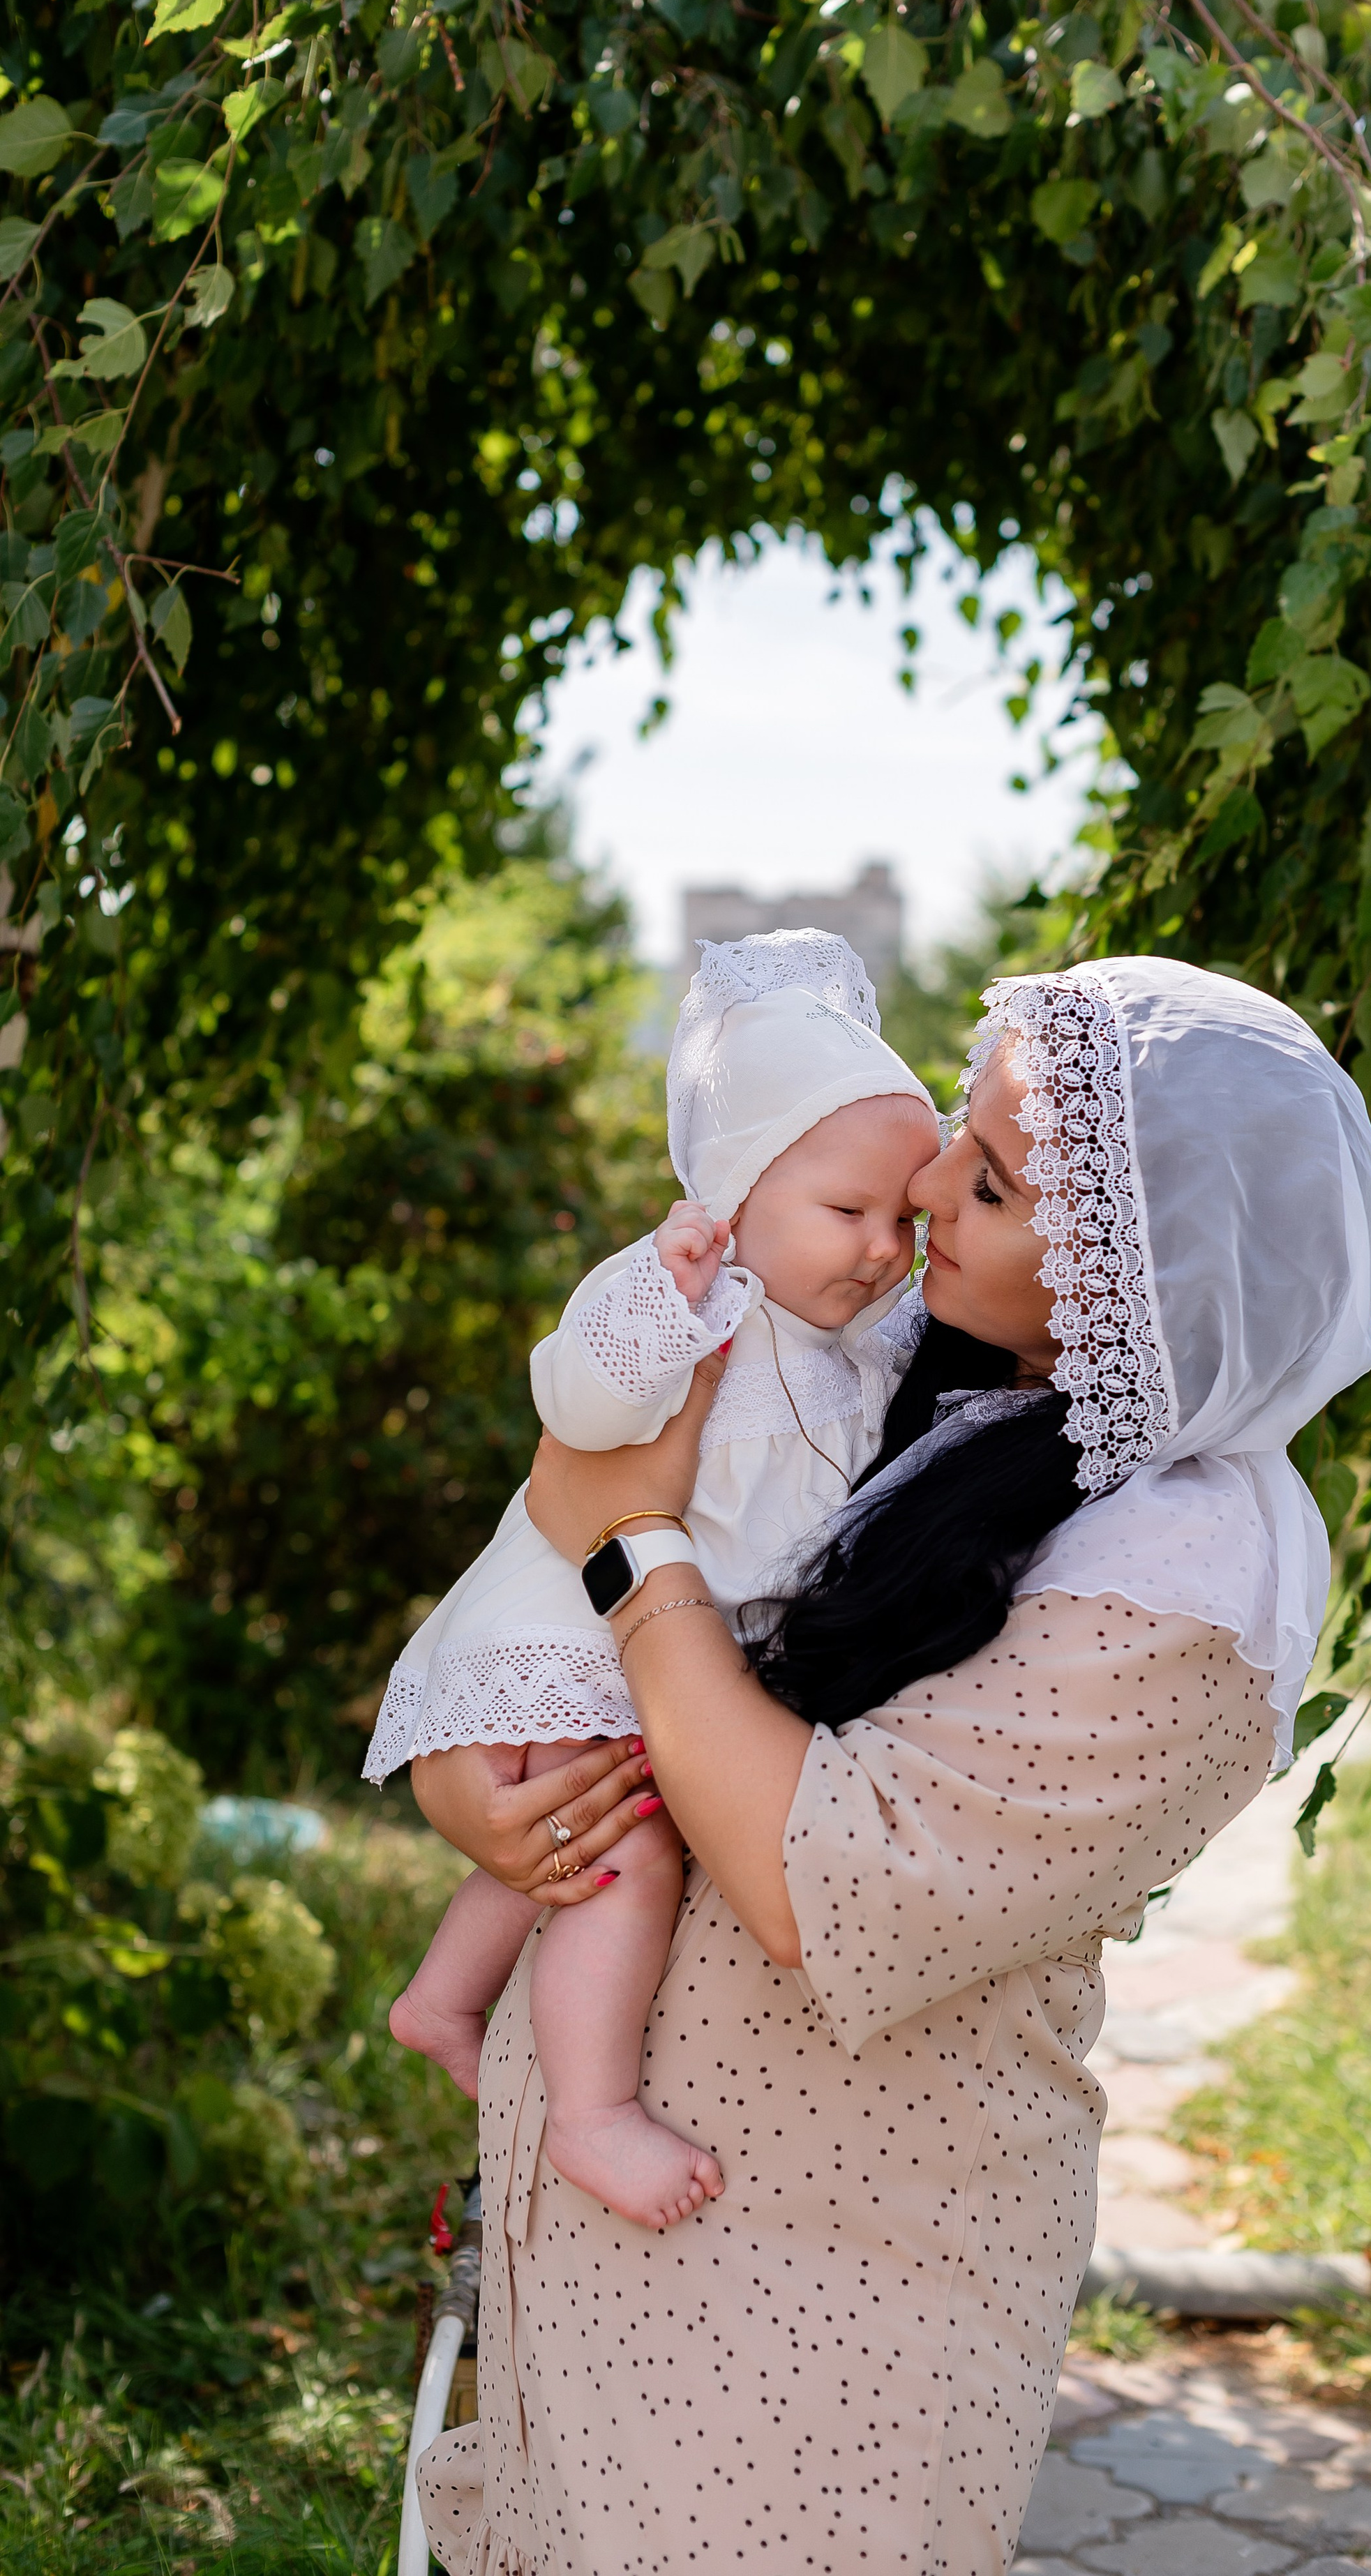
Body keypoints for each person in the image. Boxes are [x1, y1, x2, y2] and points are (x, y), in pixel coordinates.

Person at [412, 957, 1371, 2576]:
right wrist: (491, 1801)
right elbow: (578, 1582)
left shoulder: (1187, 1579)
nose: (925, 1187)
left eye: (991, 1184)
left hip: (827, 2281)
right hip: (636, 2228)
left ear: (1127, 1280)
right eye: (954, 1130)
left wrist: (628, 1548)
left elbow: (817, 1876)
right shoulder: (921, 1389)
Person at [366, 931, 938, 2229]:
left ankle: (443, 1998)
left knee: (566, 1837)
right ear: (737, 1201)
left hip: (630, 1631)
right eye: (847, 1213)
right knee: (629, 1856)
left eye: (903, 1219)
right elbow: (569, 1393)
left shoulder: (850, 1352)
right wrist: (658, 1304)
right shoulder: (703, 1298)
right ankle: (591, 2111)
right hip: (570, 1623)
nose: (879, 1248)